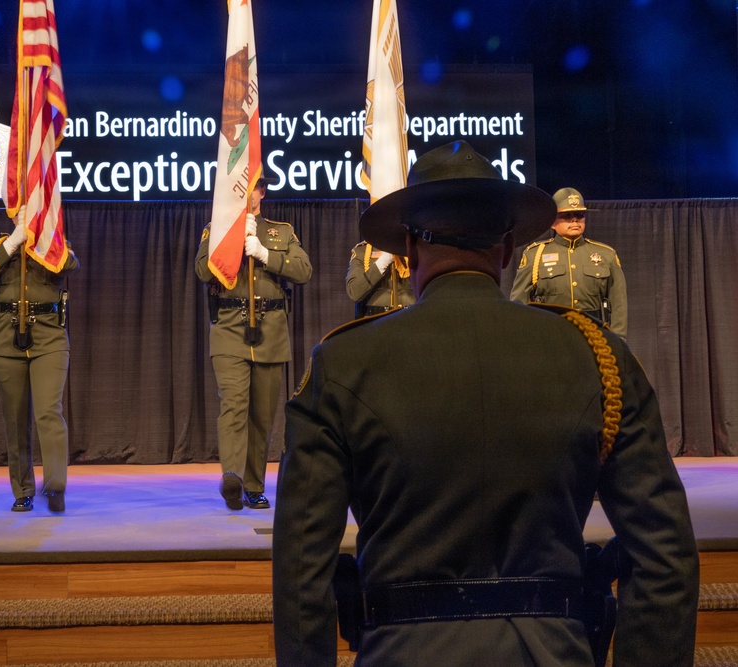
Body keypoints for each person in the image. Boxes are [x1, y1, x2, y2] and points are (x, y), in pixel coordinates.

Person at [272, 142, 699, 666]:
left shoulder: (342, 363)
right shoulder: (598, 355)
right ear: (506, 251)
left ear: (407, 250)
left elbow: (300, 568)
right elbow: (664, 554)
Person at [195, 178, 312, 510]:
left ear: (262, 192)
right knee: (233, 405)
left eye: (255, 187)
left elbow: (303, 270)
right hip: (230, 327)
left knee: (262, 414)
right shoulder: (215, 229)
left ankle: (253, 485)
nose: (249, 194)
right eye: (242, 187)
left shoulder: (282, 232)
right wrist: (231, 241)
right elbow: (202, 270)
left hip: (271, 330)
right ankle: (232, 476)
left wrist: (263, 254)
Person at [0, 209, 79, 512]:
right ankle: (23, 490)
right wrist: (12, 244)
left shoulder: (55, 241)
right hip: (6, 340)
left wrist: (44, 240)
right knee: (16, 419)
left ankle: (55, 485)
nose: (25, 214)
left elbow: (71, 264)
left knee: (49, 412)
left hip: (48, 337)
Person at [510, 188, 628, 338]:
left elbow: (619, 304)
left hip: (593, 336)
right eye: (566, 216)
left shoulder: (606, 255)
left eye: (580, 215)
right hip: (551, 336)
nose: (574, 220)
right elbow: (519, 302)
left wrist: (618, 341)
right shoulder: (535, 255)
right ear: (552, 222)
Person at [345, 242, 415, 317]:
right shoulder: (362, 251)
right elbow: (355, 292)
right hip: (374, 321)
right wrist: (382, 263)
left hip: (410, 318)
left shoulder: (416, 251)